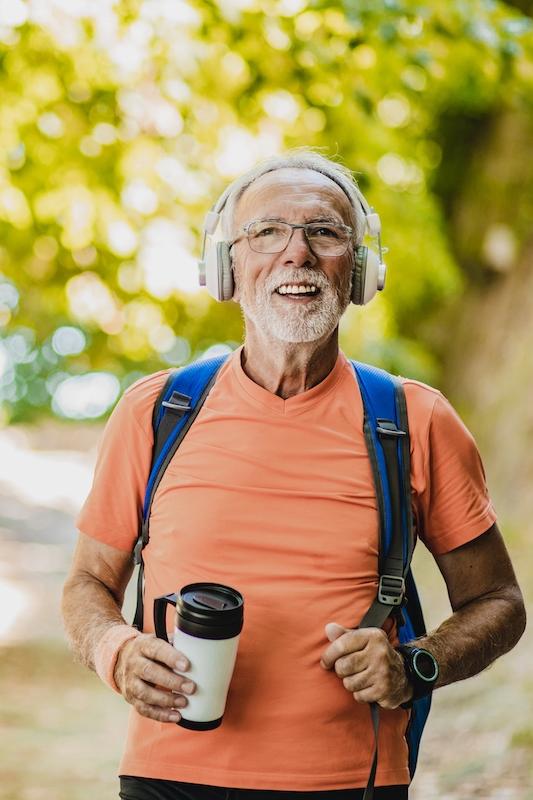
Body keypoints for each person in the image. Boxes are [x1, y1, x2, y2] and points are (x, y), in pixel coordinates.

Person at [62, 150, 526, 800]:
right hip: (167, 779)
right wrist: (115, 648)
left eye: (324, 232)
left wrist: (414, 664)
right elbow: (88, 582)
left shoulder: (413, 419)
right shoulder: (158, 411)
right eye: (267, 231)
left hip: (351, 784)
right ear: (227, 267)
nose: (296, 253)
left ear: (359, 271)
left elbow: (498, 603)